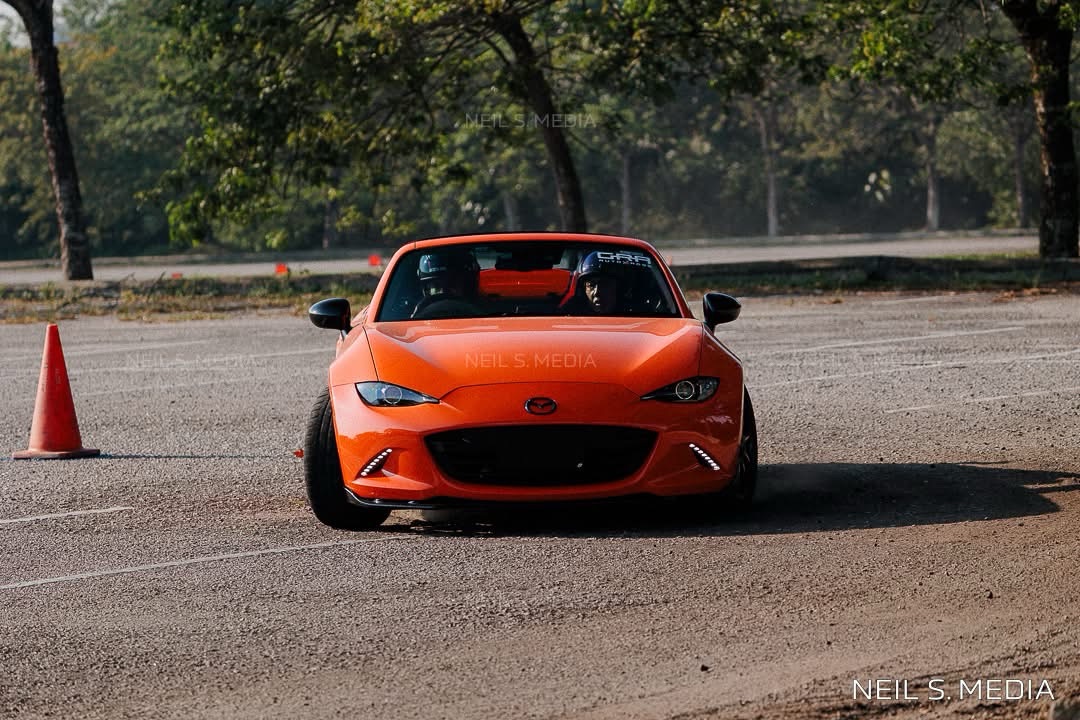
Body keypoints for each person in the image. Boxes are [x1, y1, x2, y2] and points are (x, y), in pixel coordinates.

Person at [411, 249, 480, 318]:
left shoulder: (485, 311)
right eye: (436, 287)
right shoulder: (415, 315)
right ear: (426, 290)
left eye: (451, 285)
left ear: (468, 286)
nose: (444, 292)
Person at [563, 251, 620, 315]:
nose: (597, 292)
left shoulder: (631, 312)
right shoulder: (571, 312)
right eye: (591, 285)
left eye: (604, 285)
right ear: (584, 290)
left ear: (617, 288)